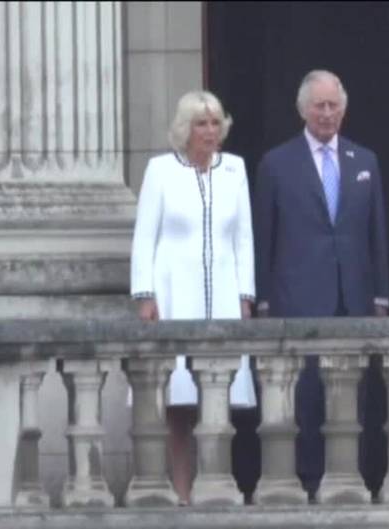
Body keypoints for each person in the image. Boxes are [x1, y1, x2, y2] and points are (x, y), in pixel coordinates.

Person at [253, 69, 389, 500]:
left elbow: (376, 234)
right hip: (299, 298)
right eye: (320, 106)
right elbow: (264, 237)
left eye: (334, 106)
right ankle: (310, 480)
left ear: (344, 109)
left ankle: (355, 478)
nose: (327, 114)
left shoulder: (364, 161)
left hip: (354, 297)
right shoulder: (276, 163)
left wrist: (381, 296)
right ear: (303, 110)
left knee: (356, 396)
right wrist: (261, 300)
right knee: (307, 395)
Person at [130, 90, 256, 505]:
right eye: (201, 123)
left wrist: (245, 295)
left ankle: (216, 485)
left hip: (221, 291)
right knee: (179, 400)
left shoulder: (234, 169)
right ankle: (182, 490)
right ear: (185, 129)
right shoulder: (161, 170)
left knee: (219, 396)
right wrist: (145, 295)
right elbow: (145, 237)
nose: (209, 131)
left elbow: (243, 239)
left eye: (215, 122)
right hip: (174, 293)